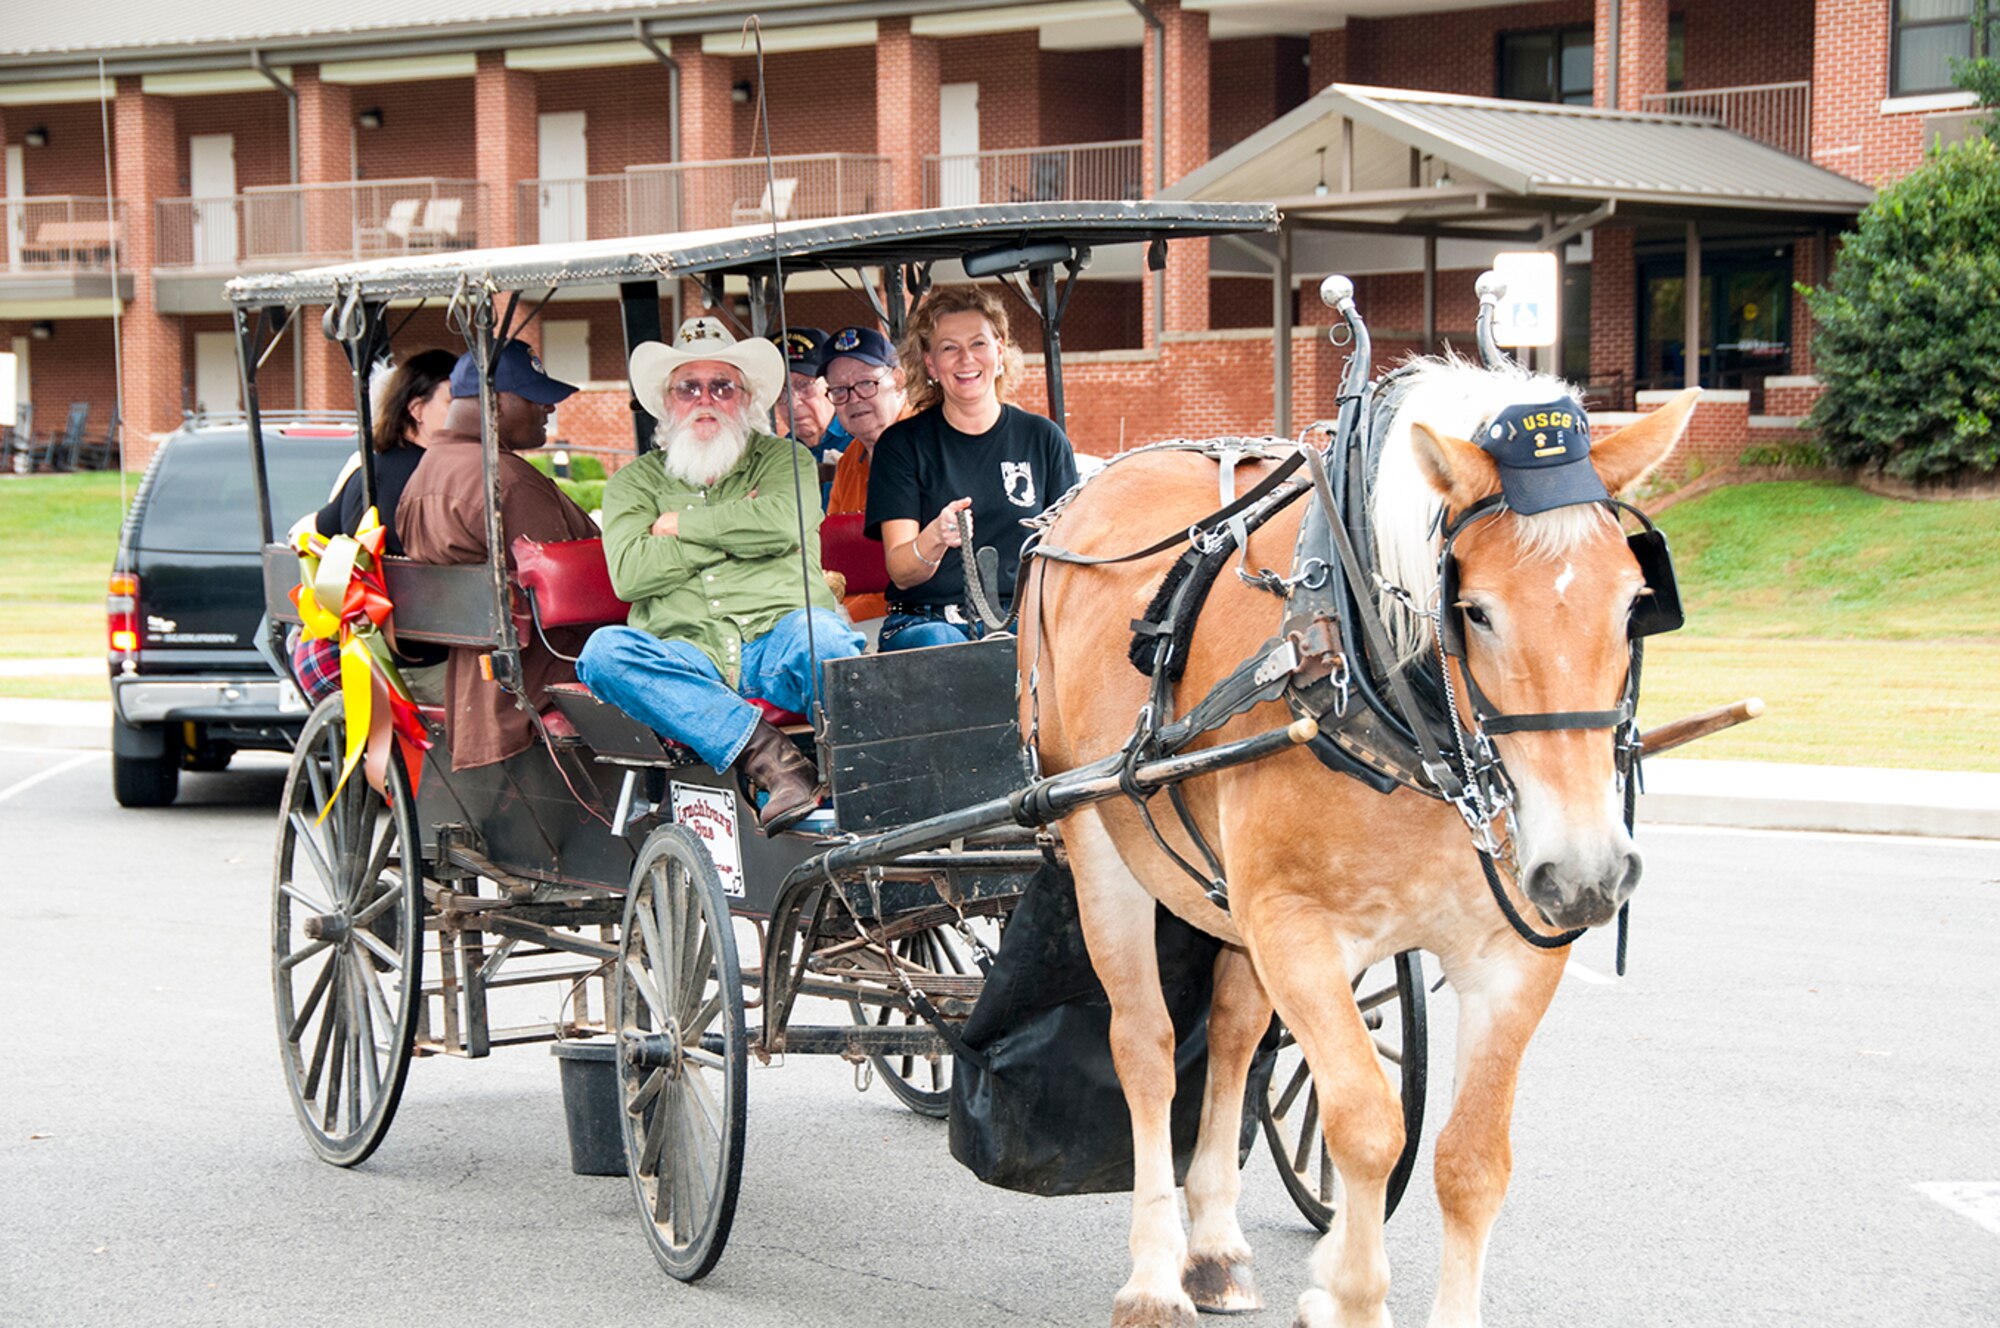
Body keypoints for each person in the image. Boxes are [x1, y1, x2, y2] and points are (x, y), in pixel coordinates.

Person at [577, 318, 864, 832]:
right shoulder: (632, 484)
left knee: (823, 636)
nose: (704, 399)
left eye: (721, 386)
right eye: (688, 387)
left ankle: (865, 778)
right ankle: (773, 761)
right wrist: (736, 535)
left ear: (746, 397)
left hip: (781, 634)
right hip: (688, 653)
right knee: (603, 654)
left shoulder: (784, 459)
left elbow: (784, 523)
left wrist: (679, 527)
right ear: (667, 402)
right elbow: (631, 573)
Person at [396, 339, 600, 771]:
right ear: (494, 403)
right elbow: (581, 589)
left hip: (477, 683)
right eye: (534, 398)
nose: (548, 410)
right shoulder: (506, 479)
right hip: (539, 680)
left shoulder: (428, 470)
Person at [864, 286, 1079, 651]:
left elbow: (1070, 553)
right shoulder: (901, 445)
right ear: (930, 363)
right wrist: (934, 537)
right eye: (949, 348)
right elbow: (901, 572)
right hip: (927, 621)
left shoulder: (1043, 439)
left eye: (978, 344)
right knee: (943, 646)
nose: (966, 359)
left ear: (998, 351)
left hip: (1021, 620)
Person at [290, 349, 456, 706]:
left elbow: (302, 531)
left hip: (367, 654)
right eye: (453, 400)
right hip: (428, 663)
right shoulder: (445, 478)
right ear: (417, 409)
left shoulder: (367, 470)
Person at [820, 325, 910, 624]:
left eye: (866, 383)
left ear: (897, 381)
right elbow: (834, 565)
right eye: (840, 391)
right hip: (856, 622)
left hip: (916, 617)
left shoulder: (931, 444)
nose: (854, 399)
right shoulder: (849, 462)